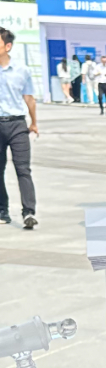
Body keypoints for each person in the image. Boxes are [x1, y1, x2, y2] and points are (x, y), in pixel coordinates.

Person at [0, 27, 38, 229]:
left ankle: (28, 212)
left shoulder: (22, 70)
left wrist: (34, 122)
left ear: (8, 46)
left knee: (23, 169)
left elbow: (29, 98)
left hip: (17, 125)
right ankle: (2, 211)